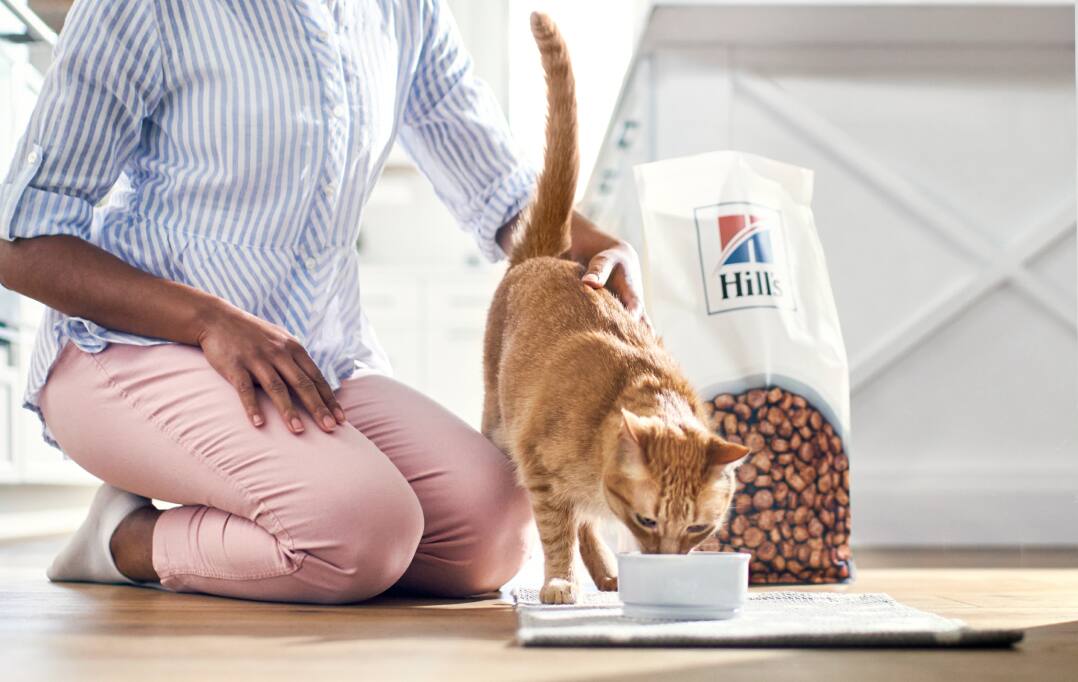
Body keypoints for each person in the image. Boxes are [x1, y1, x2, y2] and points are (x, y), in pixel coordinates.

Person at [0, 0, 644, 604]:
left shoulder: (402, 10)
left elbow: (503, 194)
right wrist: (209, 320)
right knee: (364, 529)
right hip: (131, 348)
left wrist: (599, 248)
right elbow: (21, 242)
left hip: (312, 360)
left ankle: (295, 518)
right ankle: (125, 540)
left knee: (496, 530)